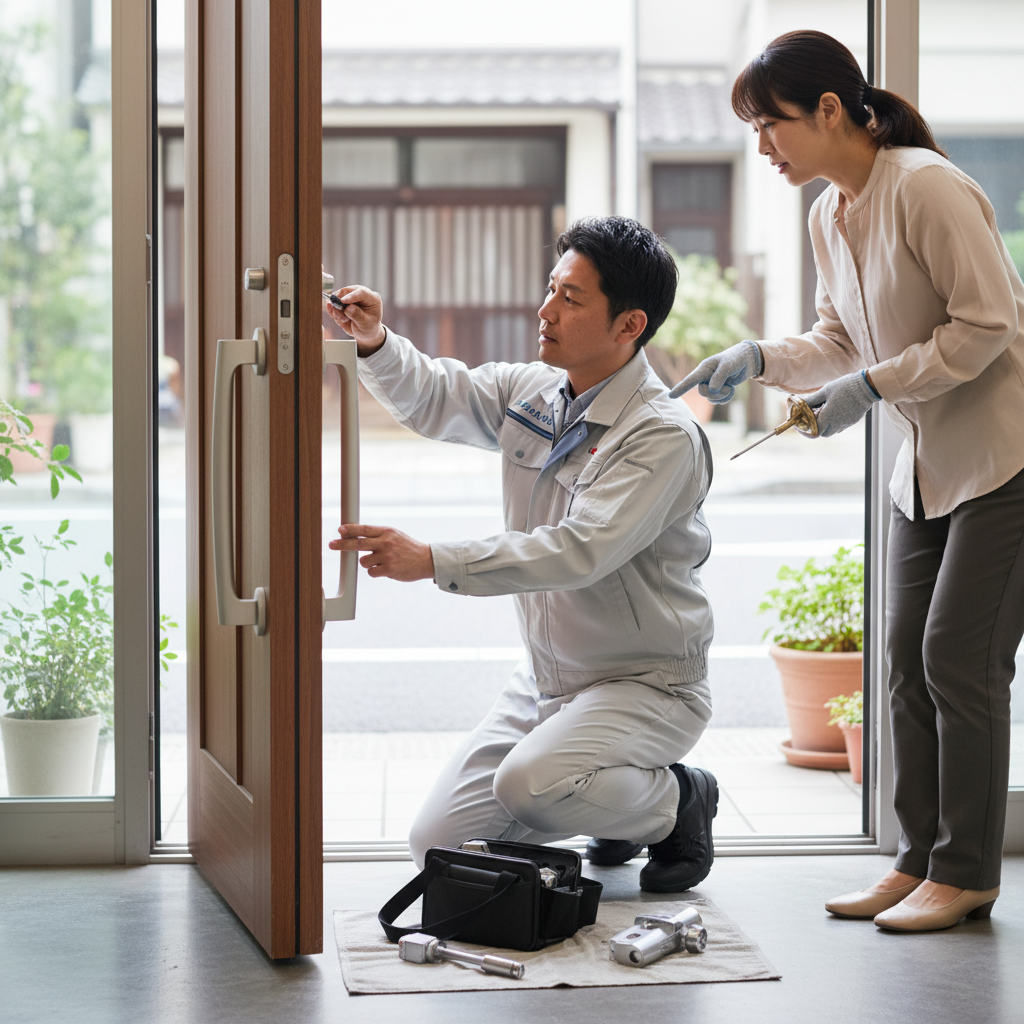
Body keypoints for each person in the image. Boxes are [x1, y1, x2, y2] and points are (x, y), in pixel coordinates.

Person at [677, 30, 1024, 932]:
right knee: (902, 666)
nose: (763, 146)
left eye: (771, 124)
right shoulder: (830, 212)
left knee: (960, 662)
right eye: (755, 130)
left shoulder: (926, 186)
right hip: (925, 469)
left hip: (1004, 458)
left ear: (830, 109)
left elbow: (988, 324)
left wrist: (870, 387)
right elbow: (838, 338)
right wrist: (759, 358)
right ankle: (915, 861)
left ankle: (967, 873)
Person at [326, 216, 718, 892]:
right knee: (437, 846)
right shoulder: (534, 392)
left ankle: (678, 802)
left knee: (531, 787)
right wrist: (375, 341)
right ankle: (611, 801)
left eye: (571, 298)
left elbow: (580, 550)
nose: (546, 310)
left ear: (629, 325)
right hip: (547, 677)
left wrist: (434, 559)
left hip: (645, 684)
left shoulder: (661, 435)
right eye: (551, 288)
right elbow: (438, 395)